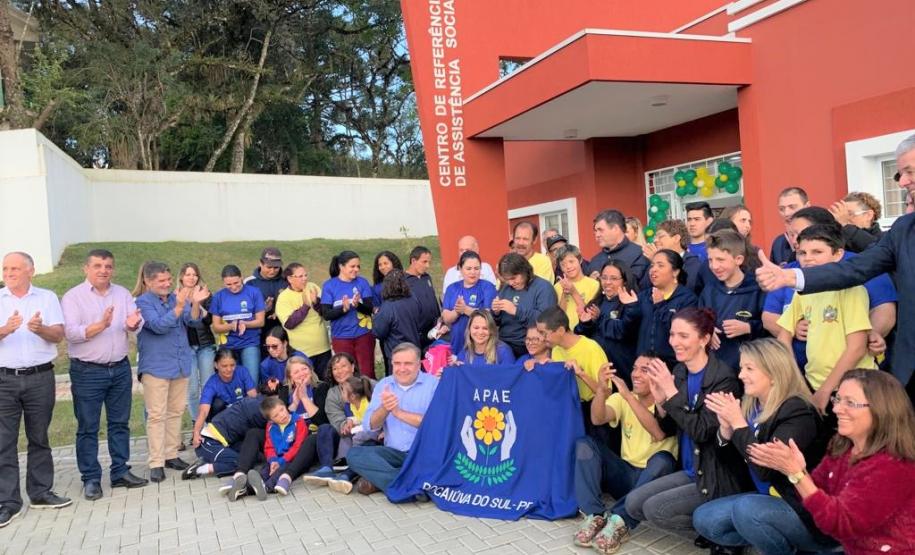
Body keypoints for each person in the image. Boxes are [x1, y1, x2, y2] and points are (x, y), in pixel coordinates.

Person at [691, 338, 836, 555]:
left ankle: (805, 549)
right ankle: (776, 542)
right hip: (765, 498)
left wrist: (738, 423)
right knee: (704, 519)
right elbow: (733, 464)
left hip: (800, 508)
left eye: (749, 368)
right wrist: (726, 430)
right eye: (741, 368)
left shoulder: (798, 411)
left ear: (775, 373)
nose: (741, 375)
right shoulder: (752, 405)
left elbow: (766, 470)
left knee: (747, 509)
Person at [748, 370, 915, 554]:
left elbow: (842, 523)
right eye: (838, 399)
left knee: (747, 510)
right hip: (850, 548)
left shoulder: (893, 465)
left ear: (881, 410)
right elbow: (815, 493)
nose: (836, 409)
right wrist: (800, 470)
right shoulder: (845, 447)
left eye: (850, 402)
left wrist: (796, 474)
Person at [625, 308, 751, 542]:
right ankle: (710, 526)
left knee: (655, 509)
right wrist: (661, 403)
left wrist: (670, 392)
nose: (674, 342)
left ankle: (724, 531)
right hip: (690, 468)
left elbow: (702, 431)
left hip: (714, 475)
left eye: (683, 336)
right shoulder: (680, 370)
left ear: (704, 339)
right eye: (673, 334)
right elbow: (670, 429)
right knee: (633, 504)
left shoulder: (723, 378)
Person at [760, 207, 896, 374]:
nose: (795, 240)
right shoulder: (791, 271)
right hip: (804, 373)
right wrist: (793, 328)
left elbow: (885, 310)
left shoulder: (862, 266)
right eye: (791, 234)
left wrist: (870, 334)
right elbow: (770, 317)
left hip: (853, 373)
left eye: (799, 233)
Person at [61, 249, 148, 500]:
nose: (103, 270)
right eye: (98, 266)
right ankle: (91, 478)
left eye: (108, 266)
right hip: (87, 371)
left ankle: (120, 471)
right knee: (88, 427)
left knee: (119, 423)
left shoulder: (122, 294)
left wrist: (133, 323)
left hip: (119, 368)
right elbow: (71, 333)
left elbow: (136, 322)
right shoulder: (73, 297)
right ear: (86, 268)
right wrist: (101, 325)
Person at [573, 354, 678, 553]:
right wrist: (601, 390)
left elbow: (658, 433)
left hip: (652, 481)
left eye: (644, 370)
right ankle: (595, 515)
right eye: (635, 368)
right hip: (625, 475)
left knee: (663, 460)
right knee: (584, 444)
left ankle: (619, 520)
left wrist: (629, 397)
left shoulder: (668, 403)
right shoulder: (622, 397)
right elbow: (597, 419)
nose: (635, 374)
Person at [0, 251, 71, 527]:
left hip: (40, 377)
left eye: (15, 269)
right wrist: (5, 329)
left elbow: (58, 335)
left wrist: (40, 329)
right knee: (4, 441)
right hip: (4, 379)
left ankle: (40, 492)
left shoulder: (47, 298)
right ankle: (8, 502)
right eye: (5, 269)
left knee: (39, 437)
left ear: (30, 270)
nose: (8, 273)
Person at [775, 224, 876, 411]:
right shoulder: (803, 291)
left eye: (817, 252)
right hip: (813, 385)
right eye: (802, 253)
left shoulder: (851, 289)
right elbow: (783, 336)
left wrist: (825, 390)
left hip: (851, 388)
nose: (808, 258)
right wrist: (796, 381)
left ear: (838, 254)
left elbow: (857, 347)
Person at [136, 261, 207, 482]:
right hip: (156, 367)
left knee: (176, 412)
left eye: (168, 279)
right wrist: (179, 306)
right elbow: (158, 326)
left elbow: (192, 321)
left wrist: (195, 303)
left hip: (180, 364)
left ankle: (171, 454)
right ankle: (156, 462)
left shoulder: (177, 298)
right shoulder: (142, 302)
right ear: (148, 281)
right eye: (162, 281)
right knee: (157, 415)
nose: (167, 284)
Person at [342, 343, 437, 495]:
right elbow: (370, 425)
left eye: (408, 363)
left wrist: (399, 413)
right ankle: (413, 485)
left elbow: (435, 424)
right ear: (391, 363)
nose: (402, 368)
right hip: (394, 454)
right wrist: (385, 408)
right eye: (397, 363)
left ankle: (388, 482)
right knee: (354, 455)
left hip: (424, 453)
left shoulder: (433, 384)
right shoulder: (384, 384)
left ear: (419, 364)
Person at [699, 230, 766, 371]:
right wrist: (707, 330)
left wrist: (749, 327)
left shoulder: (757, 289)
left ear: (738, 260)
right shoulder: (709, 290)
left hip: (751, 366)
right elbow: (698, 319)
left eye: (720, 260)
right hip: (716, 368)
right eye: (710, 260)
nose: (714, 266)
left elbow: (774, 327)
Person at [538, 306, 606, 436]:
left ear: (560, 330)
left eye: (544, 333)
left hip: (593, 412)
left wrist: (581, 373)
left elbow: (607, 393)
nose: (541, 339)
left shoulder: (591, 348)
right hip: (572, 409)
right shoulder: (556, 349)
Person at [304, 375, 378, 491]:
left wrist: (355, 430)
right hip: (362, 435)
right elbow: (356, 418)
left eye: (343, 391)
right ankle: (331, 470)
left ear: (352, 396)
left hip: (373, 436)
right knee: (329, 430)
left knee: (360, 443)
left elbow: (370, 425)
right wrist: (350, 422)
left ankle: (347, 474)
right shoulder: (352, 404)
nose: (341, 394)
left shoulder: (367, 404)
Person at [313, 353, 373, 493]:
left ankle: (348, 475)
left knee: (369, 441)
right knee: (324, 428)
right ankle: (326, 468)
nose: (339, 371)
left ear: (352, 367)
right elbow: (337, 420)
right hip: (346, 435)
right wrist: (345, 425)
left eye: (343, 366)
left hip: (369, 433)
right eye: (335, 368)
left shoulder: (368, 384)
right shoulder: (333, 393)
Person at [576, 261, 641, 384]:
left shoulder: (631, 303)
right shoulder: (595, 303)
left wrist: (599, 319)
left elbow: (623, 332)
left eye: (614, 278)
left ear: (625, 281)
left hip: (621, 370)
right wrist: (585, 324)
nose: (607, 282)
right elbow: (581, 337)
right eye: (604, 278)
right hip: (596, 368)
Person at [635, 250, 698, 369]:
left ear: (675, 272)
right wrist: (629, 308)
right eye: (652, 265)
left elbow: (682, 331)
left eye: (660, 265)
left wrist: (661, 305)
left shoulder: (687, 299)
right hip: (644, 365)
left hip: (673, 366)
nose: (653, 269)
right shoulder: (643, 296)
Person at [184, 396, 268, 481]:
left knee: (252, 458)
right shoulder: (256, 411)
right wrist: (196, 433)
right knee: (241, 464)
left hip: (226, 443)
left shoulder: (254, 404)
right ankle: (200, 468)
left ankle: (215, 460)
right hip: (208, 443)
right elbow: (203, 412)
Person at [321, 251, 376, 378]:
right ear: (341, 266)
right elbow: (326, 314)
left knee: (367, 372)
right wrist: (343, 309)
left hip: (363, 335)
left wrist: (358, 306)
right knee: (346, 374)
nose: (356, 269)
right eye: (352, 266)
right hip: (341, 337)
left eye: (358, 266)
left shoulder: (362, 282)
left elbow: (369, 309)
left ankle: (369, 391)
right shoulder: (329, 286)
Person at [491, 253, 557, 357]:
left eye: (514, 278)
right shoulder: (506, 289)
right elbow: (496, 322)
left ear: (524, 271)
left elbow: (546, 322)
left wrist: (516, 311)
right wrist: (496, 313)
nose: (511, 283)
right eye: (507, 279)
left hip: (530, 346)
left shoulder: (543, 288)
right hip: (503, 343)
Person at [209, 264, 266, 385]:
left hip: (249, 343)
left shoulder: (254, 292)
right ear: (223, 282)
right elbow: (216, 327)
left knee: (251, 382)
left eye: (236, 283)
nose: (233, 287)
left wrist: (245, 323)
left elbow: (261, 321)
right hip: (228, 346)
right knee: (230, 382)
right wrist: (231, 326)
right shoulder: (218, 297)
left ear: (241, 278)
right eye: (228, 284)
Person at [275, 262, 332, 380]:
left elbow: (326, 313)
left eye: (305, 275)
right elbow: (289, 323)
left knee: (326, 382)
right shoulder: (284, 297)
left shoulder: (313, 287)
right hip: (302, 352)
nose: (304, 278)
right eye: (300, 276)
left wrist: (316, 303)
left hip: (323, 348)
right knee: (306, 383)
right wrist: (305, 306)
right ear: (290, 279)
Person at [191, 348, 257, 446]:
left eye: (232, 365)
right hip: (224, 418)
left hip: (242, 414)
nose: (229, 369)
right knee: (217, 403)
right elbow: (203, 411)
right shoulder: (212, 383)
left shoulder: (242, 371)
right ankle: (218, 435)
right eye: (224, 366)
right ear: (216, 365)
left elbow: (253, 396)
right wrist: (196, 433)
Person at [177, 263, 217, 424]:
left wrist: (198, 303)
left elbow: (210, 320)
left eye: (194, 274)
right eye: (188, 274)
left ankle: (210, 423)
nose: (191, 278)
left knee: (208, 387)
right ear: (181, 277)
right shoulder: (175, 295)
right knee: (192, 389)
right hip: (186, 347)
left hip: (205, 345)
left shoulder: (205, 294)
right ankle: (197, 424)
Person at [441, 250, 498, 357]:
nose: (473, 272)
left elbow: (488, 317)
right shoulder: (452, 288)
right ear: (460, 269)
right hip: (457, 344)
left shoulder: (488, 287)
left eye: (476, 268)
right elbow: (446, 318)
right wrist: (457, 311)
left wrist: (466, 309)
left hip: (481, 346)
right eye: (468, 268)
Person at [587, 209, 650, 288]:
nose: (597, 235)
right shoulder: (595, 261)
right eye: (595, 231)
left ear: (615, 229)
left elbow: (641, 289)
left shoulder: (640, 254)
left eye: (600, 230)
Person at [372, 270, 423, 364]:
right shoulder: (413, 298)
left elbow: (378, 332)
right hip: (414, 349)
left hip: (397, 355)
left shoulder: (388, 307)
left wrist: (376, 316)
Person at [643, 219, 703, 294]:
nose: (655, 240)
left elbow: (686, 290)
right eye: (655, 237)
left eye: (660, 236)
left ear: (676, 238)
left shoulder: (692, 263)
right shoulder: (652, 261)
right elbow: (644, 288)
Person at [245, 247, 286, 355]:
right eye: (269, 267)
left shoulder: (286, 280)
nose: (272, 271)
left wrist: (279, 312)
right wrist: (263, 310)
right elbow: (244, 311)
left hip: (284, 332)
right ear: (260, 264)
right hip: (259, 334)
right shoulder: (249, 283)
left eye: (276, 267)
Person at [554, 244, 600, 330]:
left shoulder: (594, 285)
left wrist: (573, 292)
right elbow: (559, 317)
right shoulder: (557, 287)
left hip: (585, 333)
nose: (568, 267)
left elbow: (589, 315)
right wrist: (564, 293)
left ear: (580, 260)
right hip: (565, 334)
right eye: (563, 264)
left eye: (571, 261)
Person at [404, 246, 441, 343]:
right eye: (424, 262)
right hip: (417, 333)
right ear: (413, 261)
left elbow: (433, 298)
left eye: (429, 262)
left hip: (434, 330)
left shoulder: (427, 277)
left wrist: (439, 318)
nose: (427, 265)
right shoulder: (403, 281)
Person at [770, 187, 810, 267]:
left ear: (807, 206)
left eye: (792, 207)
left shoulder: (823, 236)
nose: (786, 213)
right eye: (782, 209)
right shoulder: (778, 243)